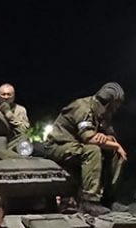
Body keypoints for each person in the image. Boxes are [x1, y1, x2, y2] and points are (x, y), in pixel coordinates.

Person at [43, 82, 127, 215]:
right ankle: (89, 201)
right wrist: (115, 144)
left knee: (114, 153)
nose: (115, 110)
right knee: (93, 150)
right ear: (107, 102)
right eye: (115, 106)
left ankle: (108, 198)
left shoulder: (104, 113)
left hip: (79, 145)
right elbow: (89, 138)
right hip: (59, 145)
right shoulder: (83, 107)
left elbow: (109, 135)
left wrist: (108, 140)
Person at [0, 83, 30, 150]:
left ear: (14, 96)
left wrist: (10, 116)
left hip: (15, 144)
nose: (6, 97)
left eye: (9, 94)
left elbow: (24, 130)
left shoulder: (21, 110)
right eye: (3, 94)